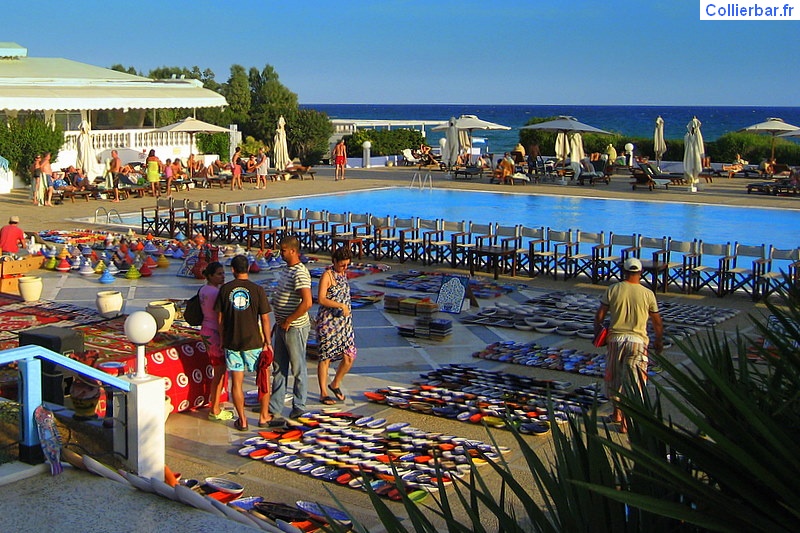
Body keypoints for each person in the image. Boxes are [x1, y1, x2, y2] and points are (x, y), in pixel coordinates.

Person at [594, 257, 663, 434]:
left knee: (615, 379)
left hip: (616, 339)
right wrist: (658, 341)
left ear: (624, 272)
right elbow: (657, 322)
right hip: (638, 342)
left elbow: (600, 314)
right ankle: (625, 422)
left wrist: (597, 333)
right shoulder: (648, 294)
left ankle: (617, 414)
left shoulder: (614, 289)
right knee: (633, 382)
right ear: (640, 273)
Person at [215, 255, 273, 430]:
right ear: (248, 268)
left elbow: (220, 319)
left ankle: (243, 420)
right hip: (254, 342)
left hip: (232, 342)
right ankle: (263, 416)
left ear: (232, 270)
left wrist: (222, 339)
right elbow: (265, 319)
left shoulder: (225, 290)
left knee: (237, 383)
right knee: (263, 380)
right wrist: (268, 342)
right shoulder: (257, 290)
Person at [269, 235, 313, 422]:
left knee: (298, 367)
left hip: (294, 327)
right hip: (282, 325)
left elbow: (307, 302)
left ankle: (299, 405)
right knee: (279, 366)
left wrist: (289, 320)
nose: (281, 253)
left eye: (284, 250)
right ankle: (275, 405)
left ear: (293, 251)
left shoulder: (300, 272)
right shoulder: (287, 270)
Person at [315, 246, 356, 405]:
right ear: (334, 262)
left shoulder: (343, 275)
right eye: (342, 265)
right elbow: (321, 299)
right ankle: (323, 392)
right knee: (325, 357)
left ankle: (335, 383)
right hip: (328, 322)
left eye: (347, 265)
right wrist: (340, 305)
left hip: (344, 323)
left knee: (349, 356)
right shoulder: (328, 275)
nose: (345, 268)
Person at [199, 262, 233, 421]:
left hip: (206, 328)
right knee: (219, 371)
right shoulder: (215, 293)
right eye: (219, 274)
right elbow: (221, 317)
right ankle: (215, 408)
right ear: (211, 276)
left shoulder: (204, 290)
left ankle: (215, 404)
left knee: (217, 369)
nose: (222, 276)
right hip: (214, 332)